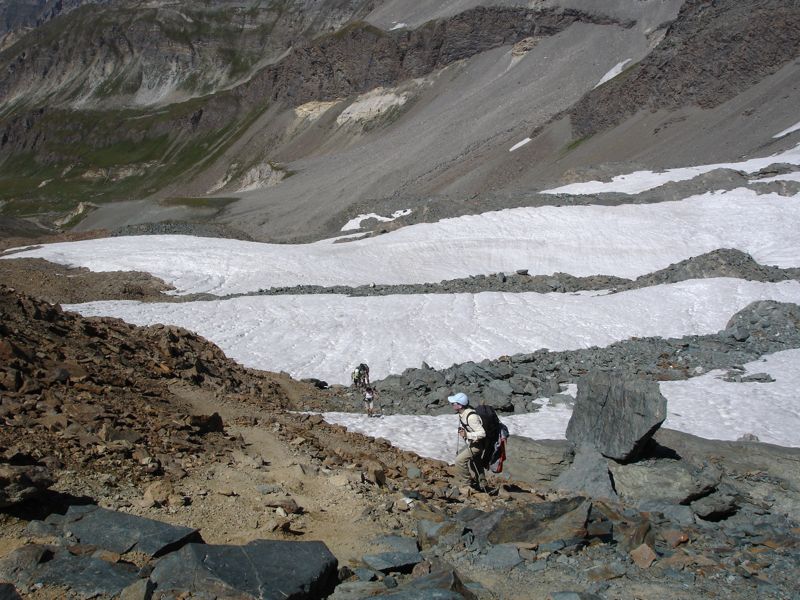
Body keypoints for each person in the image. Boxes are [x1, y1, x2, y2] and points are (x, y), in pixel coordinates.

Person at [448, 391, 488, 492]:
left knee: (459, 460)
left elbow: (482, 433)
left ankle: (466, 484)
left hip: (478, 444)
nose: (452, 405)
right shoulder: (463, 414)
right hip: (474, 442)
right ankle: (482, 484)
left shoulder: (471, 417)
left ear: (460, 405)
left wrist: (467, 435)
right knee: (476, 462)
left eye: (454, 403)